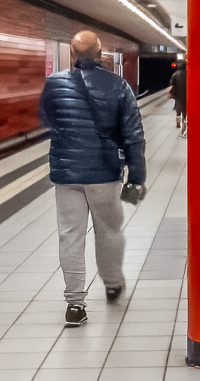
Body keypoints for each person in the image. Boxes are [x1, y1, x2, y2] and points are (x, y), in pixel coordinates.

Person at [40, 29, 146, 325]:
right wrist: (136, 177)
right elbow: (133, 135)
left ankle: (75, 304)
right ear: (100, 55)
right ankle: (112, 284)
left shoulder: (54, 83)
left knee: (70, 236)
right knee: (109, 231)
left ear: (72, 54)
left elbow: (47, 119)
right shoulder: (118, 85)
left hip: (67, 173)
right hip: (104, 173)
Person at [169, 56, 188, 133]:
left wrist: (170, 93)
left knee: (178, 110)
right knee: (184, 111)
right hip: (186, 95)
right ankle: (184, 124)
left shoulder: (175, 74)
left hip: (177, 95)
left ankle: (178, 122)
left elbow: (171, 85)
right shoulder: (188, 74)